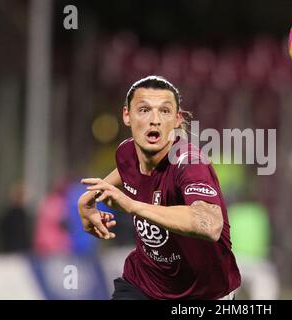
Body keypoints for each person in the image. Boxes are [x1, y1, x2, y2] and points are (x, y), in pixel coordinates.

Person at [77, 75, 241, 300]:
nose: (154, 119)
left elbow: (211, 224)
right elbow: (125, 170)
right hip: (143, 284)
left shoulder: (190, 162)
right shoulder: (125, 153)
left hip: (204, 294)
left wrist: (133, 206)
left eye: (164, 111)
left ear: (176, 119)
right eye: (144, 110)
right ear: (127, 115)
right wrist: (89, 199)